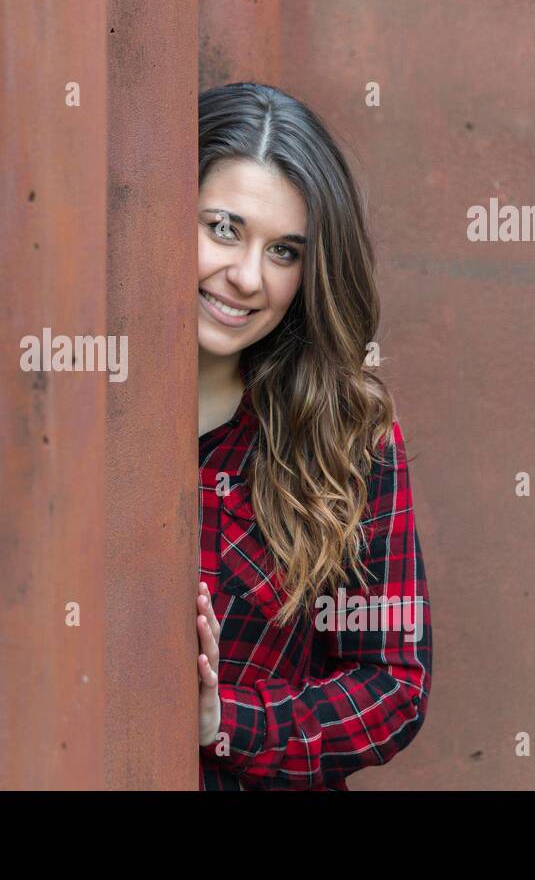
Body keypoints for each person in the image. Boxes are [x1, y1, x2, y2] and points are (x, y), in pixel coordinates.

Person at [195, 82, 432, 790]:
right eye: (223, 228)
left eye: (285, 252)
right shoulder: (80, 412)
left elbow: (393, 686)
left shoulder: (345, 434)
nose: (245, 278)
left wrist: (223, 723)